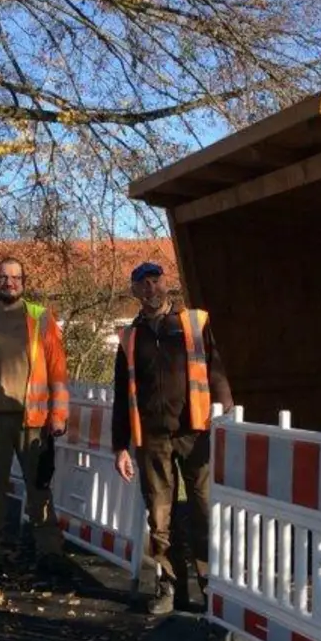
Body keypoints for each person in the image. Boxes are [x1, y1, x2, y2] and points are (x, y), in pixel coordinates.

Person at [112, 261, 233, 615]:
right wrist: (120, 446)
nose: (150, 289)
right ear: (134, 291)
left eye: (155, 281)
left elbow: (216, 368)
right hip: (151, 437)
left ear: (167, 284)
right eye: (142, 284)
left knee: (203, 509)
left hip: (193, 431)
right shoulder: (130, 337)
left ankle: (210, 585)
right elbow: (122, 394)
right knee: (159, 515)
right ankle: (168, 586)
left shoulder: (192, 324)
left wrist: (225, 408)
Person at [0, 257, 71, 585]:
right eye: (3, 276)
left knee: (39, 489)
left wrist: (59, 414)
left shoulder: (40, 318)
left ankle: (50, 552)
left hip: (33, 420)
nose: (9, 282)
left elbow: (58, 371)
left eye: (15, 277)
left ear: (24, 282)